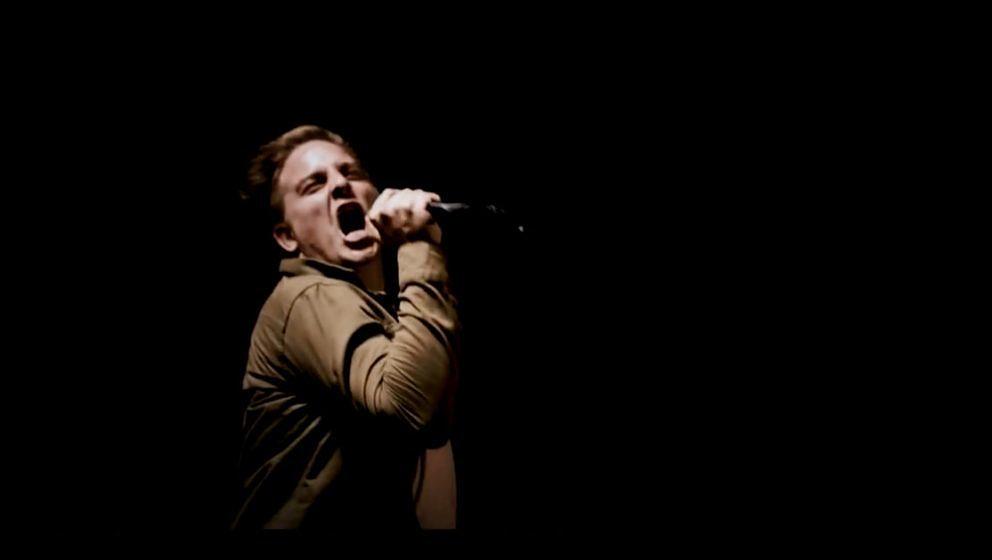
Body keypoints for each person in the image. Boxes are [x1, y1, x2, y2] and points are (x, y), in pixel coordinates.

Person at [232, 125, 459, 532]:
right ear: (287, 236)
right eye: (314, 184)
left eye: (351, 173)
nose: (340, 185)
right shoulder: (306, 295)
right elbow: (411, 408)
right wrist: (417, 243)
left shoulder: (382, 308)